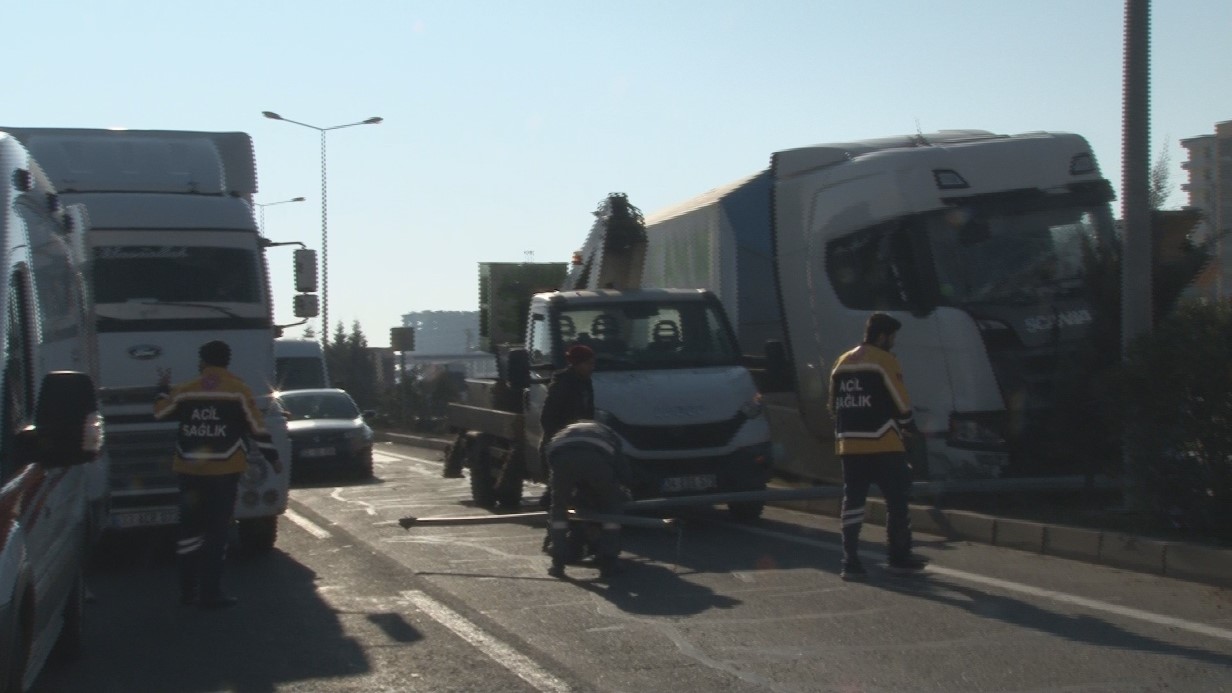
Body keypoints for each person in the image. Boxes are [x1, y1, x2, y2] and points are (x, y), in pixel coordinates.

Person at [153, 340, 282, 609]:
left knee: (189, 532)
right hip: (224, 473)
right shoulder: (238, 392)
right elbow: (257, 430)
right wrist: (273, 459)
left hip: (189, 472)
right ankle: (211, 593)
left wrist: (163, 389)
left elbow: (160, 413)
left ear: (203, 362)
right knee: (216, 533)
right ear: (227, 362)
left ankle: (187, 591)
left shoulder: (186, 390)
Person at [829, 313, 927, 581]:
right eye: (892, 337)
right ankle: (898, 557)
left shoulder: (841, 363)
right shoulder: (885, 361)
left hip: (849, 444)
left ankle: (849, 562)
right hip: (883, 443)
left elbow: (832, 406)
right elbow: (901, 403)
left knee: (853, 502)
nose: (893, 343)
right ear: (882, 336)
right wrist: (910, 427)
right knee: (897, 500)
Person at [544, 421, 632, 580]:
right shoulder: (609, 434)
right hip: (595, 460)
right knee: (611, 509)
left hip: (561, 459)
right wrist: (625, 486)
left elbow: (548, 456)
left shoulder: (564, 431)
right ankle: (608, 560)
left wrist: (562, 485)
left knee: (559, 510)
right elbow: (621, 468)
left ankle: (557, 562)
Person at [536, 344, 597, 509]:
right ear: (577, 364)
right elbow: (548, 417)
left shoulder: (585, 382)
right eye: (588, 363)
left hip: (578, 439)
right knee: (558, 487)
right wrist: (559, 439)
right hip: (561, 441)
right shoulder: (563, 383)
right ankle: (554, 520)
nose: (592, 367)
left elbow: (587, 412)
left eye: (592, 363)